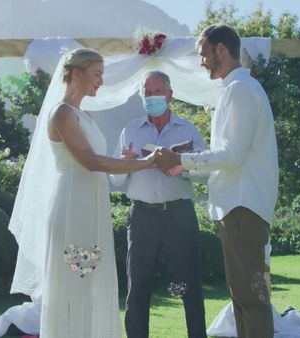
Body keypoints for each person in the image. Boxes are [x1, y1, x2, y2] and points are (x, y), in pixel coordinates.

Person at [8, 48, 157, 338]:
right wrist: (142, 163)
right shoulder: (62, 113)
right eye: (97, 74)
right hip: (72, 207)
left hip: (91, 206)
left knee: (89, 284)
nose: (101, 81)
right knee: (75, 282)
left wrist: (124, 159)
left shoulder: (83, 113)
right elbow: (89, 162)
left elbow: (98, 160)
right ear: (76, 73)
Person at [156, 23, 279, 338]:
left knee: (251, 296)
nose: (202, 62)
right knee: (243, 294)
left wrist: (181, 160)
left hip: (242, 207)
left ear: (221, 50)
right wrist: (182, 165)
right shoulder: (237, 90)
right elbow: (229, 158)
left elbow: (231, 155)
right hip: (238, 206)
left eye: (204, 54)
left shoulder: (240, 91)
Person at [109, 70, 208, 338]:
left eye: (157, 91)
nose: (152, 97)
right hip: (142, 216)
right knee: (138, 287)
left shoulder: (188, 129)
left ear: (170, 95)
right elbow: (115, 182)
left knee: (188, 286)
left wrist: (181, 164)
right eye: (147, 93)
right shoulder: (130, 130)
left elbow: (206, 174)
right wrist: (123, 163)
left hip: (180, 214)